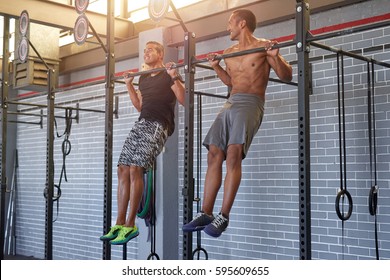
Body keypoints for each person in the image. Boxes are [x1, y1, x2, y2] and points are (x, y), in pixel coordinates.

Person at [183, 9, 293, 237]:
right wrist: (216, 67)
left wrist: (275, 56)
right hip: (231, 102)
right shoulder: (228, 52)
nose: (227, 28)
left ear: (242, 23)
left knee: (233, 153)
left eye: (230, 23)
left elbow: (286, 75)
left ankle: (223, 215)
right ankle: (206, 212)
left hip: (252, 102)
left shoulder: (264, 46)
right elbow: (231, 82)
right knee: (214, 152)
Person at [100, 41, 185, 245]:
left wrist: (175, 76)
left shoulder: (167, 74)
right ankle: (119, 222)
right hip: (142, 122)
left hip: (159, 124)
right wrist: (129, 85)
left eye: (150, 50)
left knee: (136, 168)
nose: (146, 52)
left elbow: (183, 99)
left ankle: (131, 225)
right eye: (145, 50)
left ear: (161, 54)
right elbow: (139, 105)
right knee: (123, 168)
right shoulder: (144, 79)